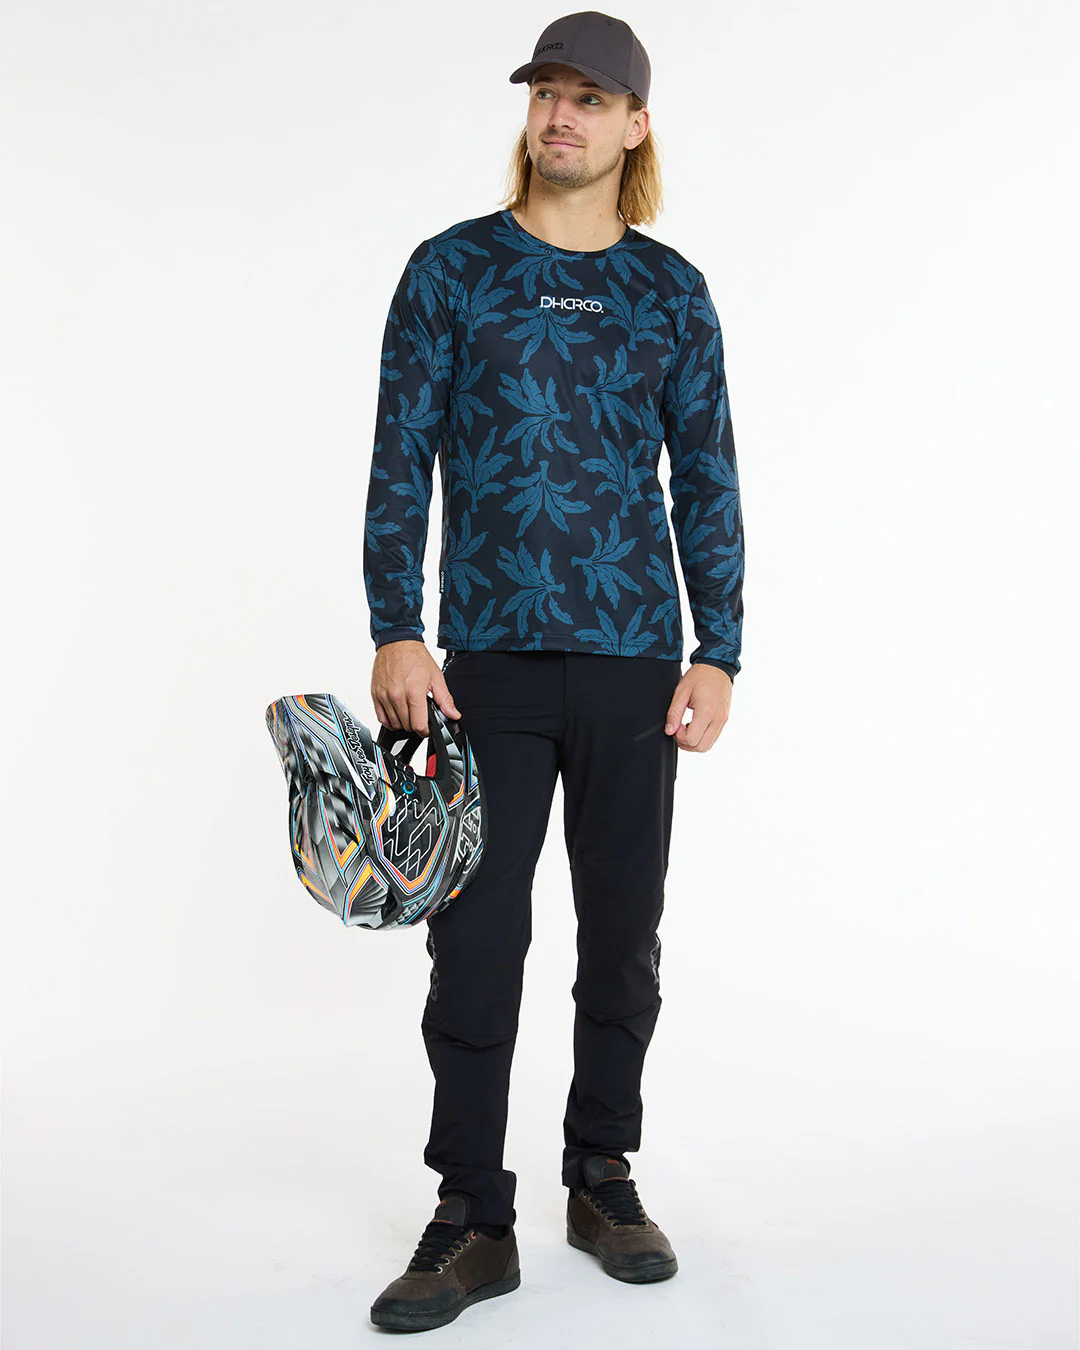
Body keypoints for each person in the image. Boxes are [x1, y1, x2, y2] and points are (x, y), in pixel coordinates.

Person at [364, 10, 745, 1332]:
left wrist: (720, 648)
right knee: (475, 942)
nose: (562, 116)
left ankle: (602, 1176)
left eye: (590, 98)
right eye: (547, 93)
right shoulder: (451, 271)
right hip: (484, 667)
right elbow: (399, 454)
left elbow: (707, 475)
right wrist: (395, 623)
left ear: (635, 124)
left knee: (623, 939)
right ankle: (473, 1213)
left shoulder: (670, 291)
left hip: (637, 663)